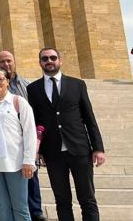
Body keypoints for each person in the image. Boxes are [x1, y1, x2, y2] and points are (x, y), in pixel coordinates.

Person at [27, 48, 105, 221]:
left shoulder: (77, 84)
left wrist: (98, 148)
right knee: (62, 201)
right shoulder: (32, 89)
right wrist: (37, 149)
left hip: (80, 150)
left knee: (87, 199)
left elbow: (89, 117)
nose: (49, 61)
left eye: (53, 58)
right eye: (45, 58)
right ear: (40, 62)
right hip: (53, 153)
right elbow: (34, 122)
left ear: (60, 61)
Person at [0, 67, 37, 221]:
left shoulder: (18, 102)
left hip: (16, 164)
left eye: (0, 79)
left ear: (7, 82)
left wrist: (29, 161)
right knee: (1, 206)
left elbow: (30, 132)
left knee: (20, 208)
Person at [0, 50, 46, 221]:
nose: (6, 64)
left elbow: (35, 115)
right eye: (2, 62)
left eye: (9, 61)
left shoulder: (27, 85)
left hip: (27, 138)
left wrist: (37, 144)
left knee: (31, 176)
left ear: (14, 62)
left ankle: (36, 210)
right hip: (5, 142)